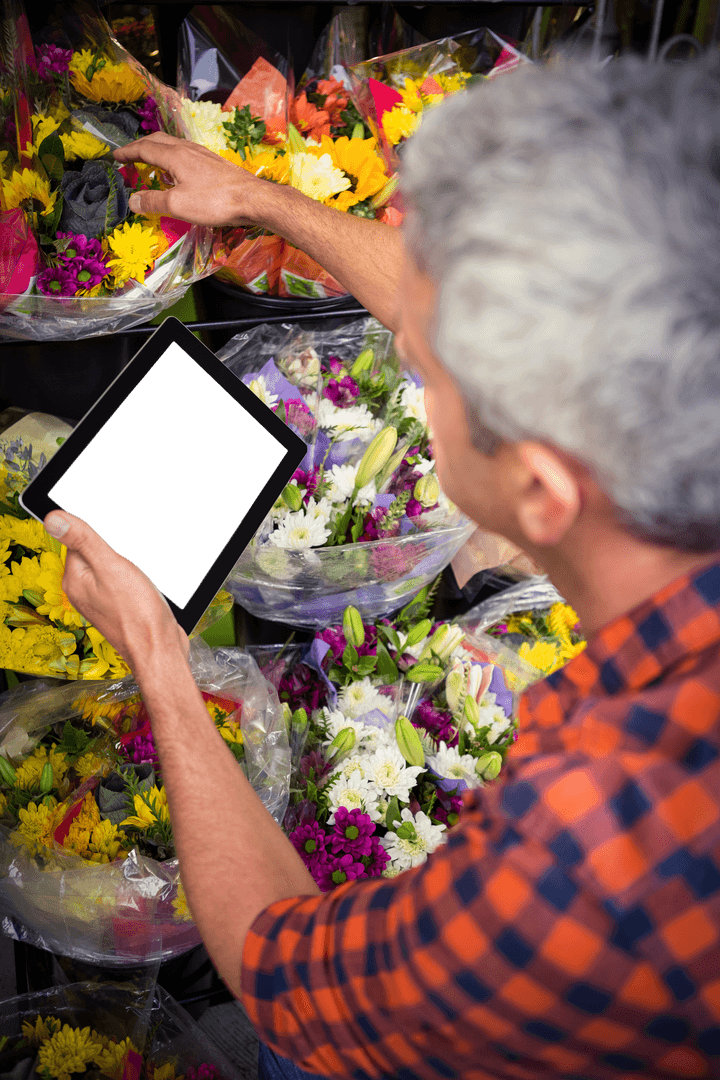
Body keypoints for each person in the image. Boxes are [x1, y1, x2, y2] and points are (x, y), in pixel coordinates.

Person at [46, 54, 720, 1079]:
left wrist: (156, 652)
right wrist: (259, 198)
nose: (406, 358)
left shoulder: (588, 855)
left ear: (539, 488)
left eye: (427, 378)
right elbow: (437, 303)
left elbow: (286, 971)